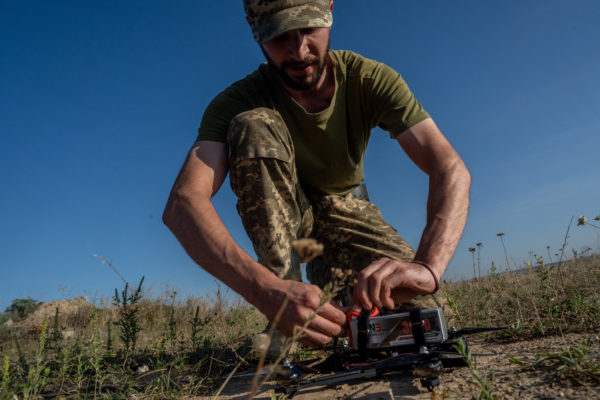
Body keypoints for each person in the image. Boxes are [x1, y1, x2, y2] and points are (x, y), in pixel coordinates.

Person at [163, 0, 471, 349]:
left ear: (329, 10)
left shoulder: (369, 79)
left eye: (309, 29)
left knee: (422, 317)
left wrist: (429, 267)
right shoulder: (234, 102)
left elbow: (449, 166)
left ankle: (331, 299)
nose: (299, 51)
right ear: (255, 32)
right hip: (286, 220)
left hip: (346, 209)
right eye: (280, 36)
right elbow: (183, 203)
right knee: (254, 124)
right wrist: (265, 291)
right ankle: (284, 320)